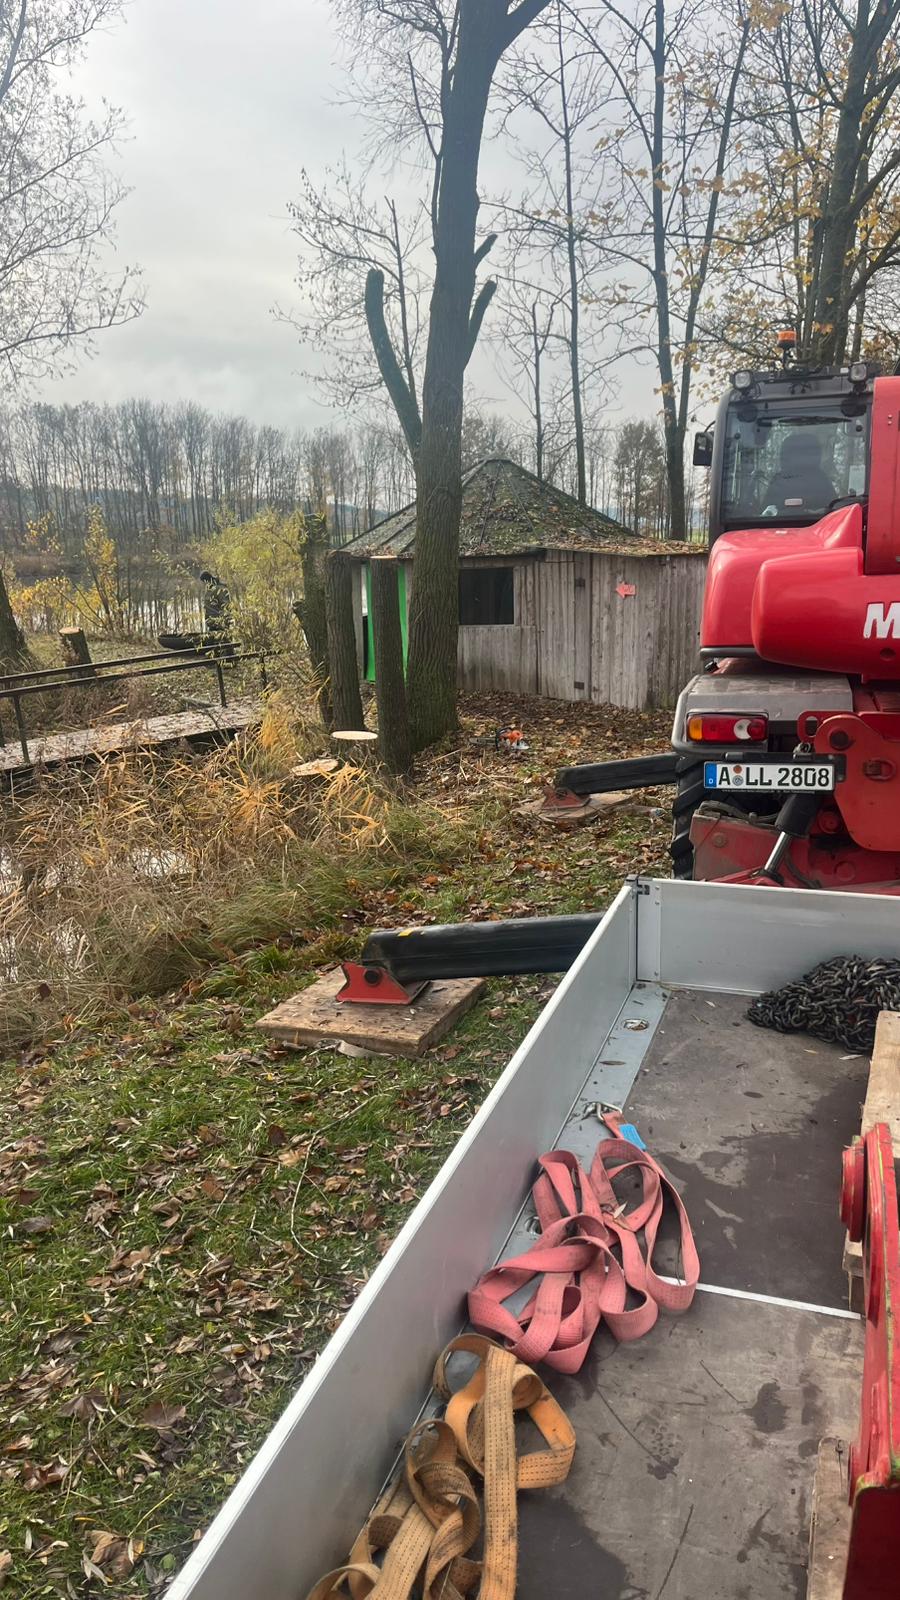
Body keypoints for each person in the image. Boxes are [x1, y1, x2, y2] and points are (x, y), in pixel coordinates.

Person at [763, 432, 837, 515]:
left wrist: (820, 512)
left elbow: (833, 512)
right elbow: (766, 514)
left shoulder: (779, 480)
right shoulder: (822, 480)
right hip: (779, 523)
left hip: (819, 522)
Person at [199, 570, 231, 639]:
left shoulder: (220, 589)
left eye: (203, 582)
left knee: (223, 640)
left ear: (206, 580)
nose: (203, 584)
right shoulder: (209, 589)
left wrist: (224, 621)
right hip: (212, 623)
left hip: (220, 623)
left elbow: (226, 606)